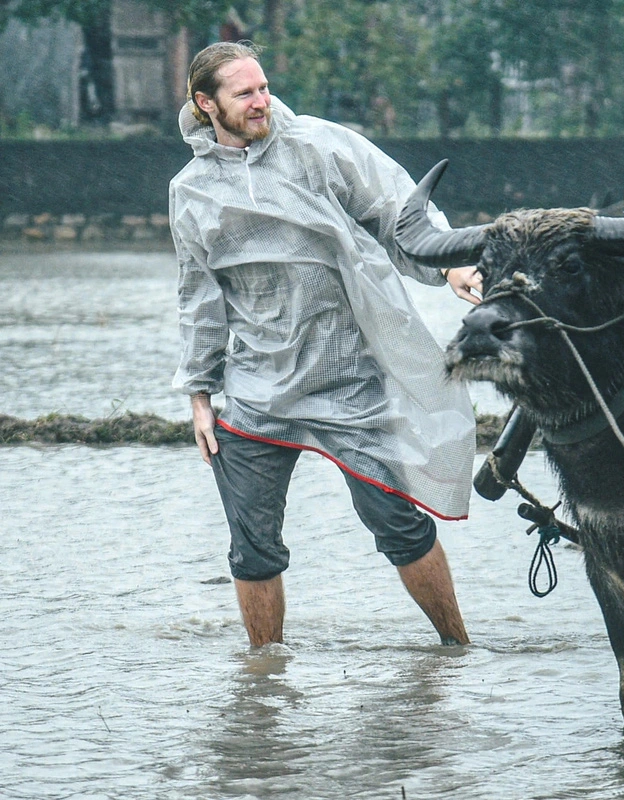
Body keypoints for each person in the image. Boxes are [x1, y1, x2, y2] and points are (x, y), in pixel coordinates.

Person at [170, 41, 483, 648]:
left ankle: (457, 650)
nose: (262, 101)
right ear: (207, 104)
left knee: (400, 526)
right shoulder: (191, 190)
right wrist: (199, 394)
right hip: (255, 389)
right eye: (244, 93)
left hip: (352, 376)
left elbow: (400, 212)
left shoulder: (319, 144)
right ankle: (264, 681)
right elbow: (198, 296)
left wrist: (452, 268)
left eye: (263, 87)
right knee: (253, 548)